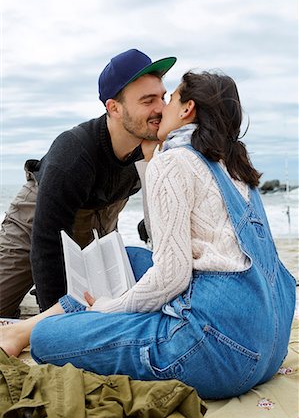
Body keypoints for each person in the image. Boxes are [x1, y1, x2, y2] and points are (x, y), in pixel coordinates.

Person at [0, 71, 296, 400]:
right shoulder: (233, 163)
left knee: (46, 340)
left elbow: (171, 273)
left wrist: (106, 309)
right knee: (126, 258)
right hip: (267, 344)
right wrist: (150, 161)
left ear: (187, 110)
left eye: (168, 99)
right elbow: (164, 248)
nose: (160, 108)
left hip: (217, 352)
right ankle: (41, 320)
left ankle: (31, 329)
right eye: (151, 100)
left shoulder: (173, 162)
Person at [0, 48, 176, 317]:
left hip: (98, 224)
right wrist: (55, 327)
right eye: (147, 100)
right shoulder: (73, 154)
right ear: (113, 108)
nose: (161, 109)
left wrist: (154, 165)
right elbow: (47, 242)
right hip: (36, 221)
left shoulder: (152, 147)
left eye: (162, 97)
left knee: (107, 309)